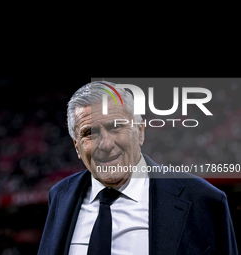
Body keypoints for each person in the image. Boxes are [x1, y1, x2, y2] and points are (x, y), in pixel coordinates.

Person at [37, 81, 238, 255]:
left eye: (116, 126)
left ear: (140, 131)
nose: (105, 144)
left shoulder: (202, 199)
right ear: (77, 146)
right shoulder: (60, 196)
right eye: (90, 132)